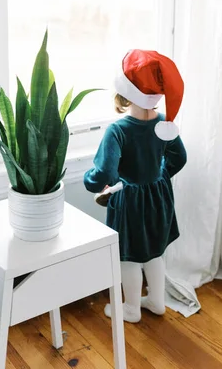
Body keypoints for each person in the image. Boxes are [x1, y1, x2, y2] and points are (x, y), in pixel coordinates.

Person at [83, 49, 187, 323]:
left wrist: (90, 181)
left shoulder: (118, 130)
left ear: (124, 94)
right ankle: (155, 301)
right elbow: (180, 157)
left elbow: (104, 170)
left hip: (128, 201)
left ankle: (131, 308)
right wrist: (161, 177)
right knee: (154, 251)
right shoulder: (164, 123)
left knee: (127, 256)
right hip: (158, 197)